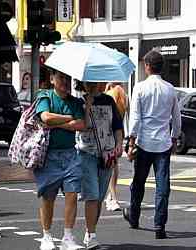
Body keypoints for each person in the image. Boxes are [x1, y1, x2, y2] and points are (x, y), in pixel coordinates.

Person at [123, 50, 181, 239]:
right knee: (162, 186)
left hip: (144, 142)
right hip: (163, 143)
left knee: (138, 183)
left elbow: (136, 117)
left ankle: (134, 216)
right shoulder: (170, 88)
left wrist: (131, 140)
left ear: (147, 66)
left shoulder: (140, 87)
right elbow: (176, 117)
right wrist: (174, 138)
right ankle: (159, 225)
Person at [34, 70, 86, 250]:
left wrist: (57, 123)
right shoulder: (45, 96)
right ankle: (46, 236)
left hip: (71, 154)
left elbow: (81, 124)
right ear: (51, 79)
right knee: (48, 197)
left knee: (72, 195)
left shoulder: (75, 101)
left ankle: (68, 237)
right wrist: (69, 120)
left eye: (67, 78)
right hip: (49, 155)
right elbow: (45, 117)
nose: (65, 81)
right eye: (60, 77)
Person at [76, 82, 124, 249]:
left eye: (95, 81)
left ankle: (90, 230)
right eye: (89, 82)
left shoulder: (109, 101)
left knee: (100, 196)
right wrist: (87, 105)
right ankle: (91, 235)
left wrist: (119, 144)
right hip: (86, 153)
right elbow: (83, 125)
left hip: (107, 154)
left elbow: (117, 125)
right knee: (92, 194)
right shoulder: (78, 101)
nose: (92, 85)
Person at [104, 82, 128, 211]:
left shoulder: (108, 95)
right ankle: (111, 196)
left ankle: (112, 197)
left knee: (109, 166)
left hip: (106, 135)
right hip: (117, 134)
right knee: (113, 165)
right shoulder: (124, 96)